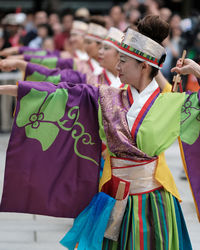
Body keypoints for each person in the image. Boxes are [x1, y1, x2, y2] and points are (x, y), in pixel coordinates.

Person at [0, 15, 199, 250]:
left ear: (144, 66)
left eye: (123, 61)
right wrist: (13, 90)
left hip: (154, 200)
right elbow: (64, 94)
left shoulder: (172, 103)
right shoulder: (108, 96)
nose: (117, 66)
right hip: (112, 196)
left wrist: (196, 69)